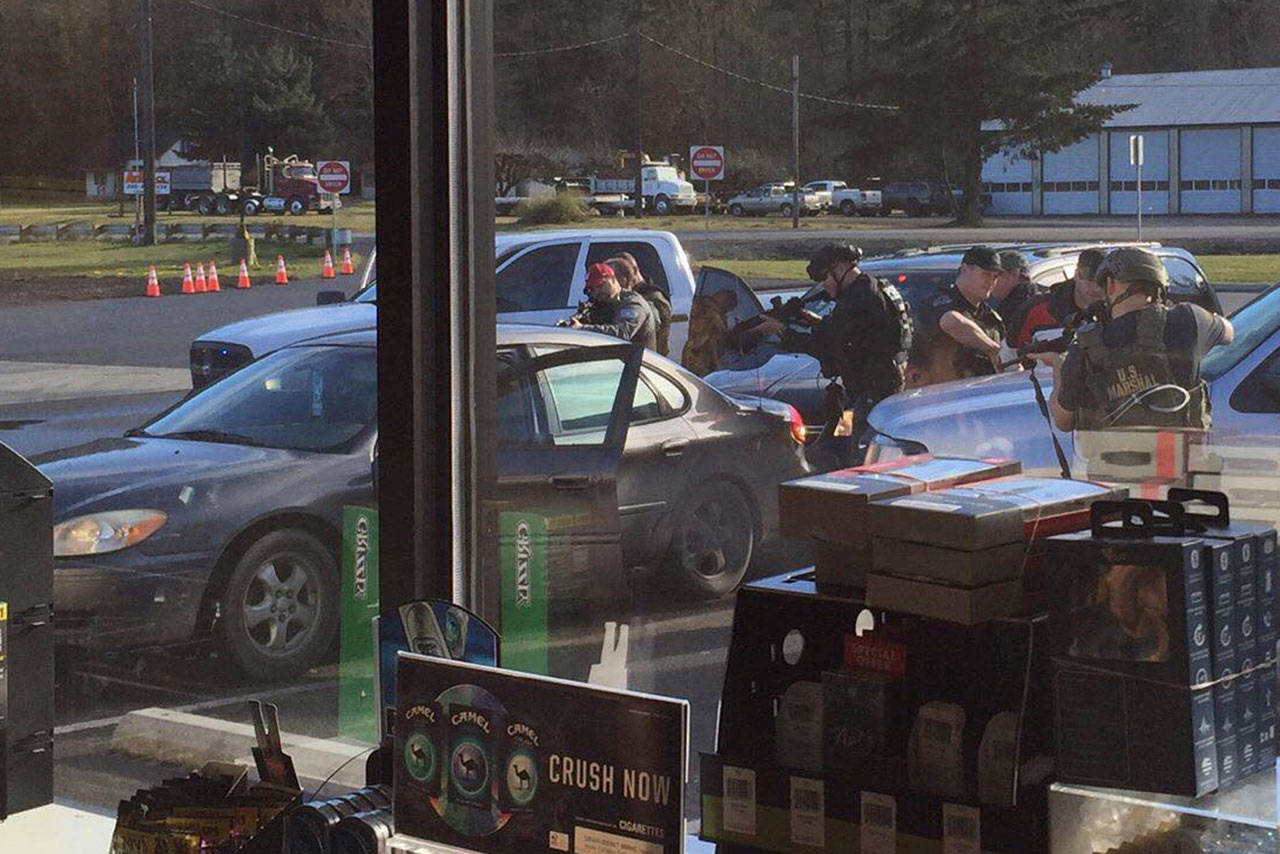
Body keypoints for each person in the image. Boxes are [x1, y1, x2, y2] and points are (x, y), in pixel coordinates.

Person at [1032, 247, 1234, 431]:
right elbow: (1229, 332)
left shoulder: (1085, 344)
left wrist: (1058, 366)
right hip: (1180, 465)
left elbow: (1063, 421)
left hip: (1113, 467)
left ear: (1111, 284)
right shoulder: (1191, 319)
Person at [753, 243, 913, 424]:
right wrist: (816, 321)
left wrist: (780, 331)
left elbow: (829, 345)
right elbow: (853, 333)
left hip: (873, 391)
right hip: (884, 385)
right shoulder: (872, 288)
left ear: (841, 268)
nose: (823, 285)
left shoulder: (858, 299)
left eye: (824, 277)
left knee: (864, 448)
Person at [912, 245, 1005, 384]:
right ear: (964, 270)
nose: (991, 282)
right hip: (938, 396)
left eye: (995, 277)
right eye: (985, 274)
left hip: (983, 395)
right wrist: (992, 349)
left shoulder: (990, 317)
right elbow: (951, 322)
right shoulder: (940, 303)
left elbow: (1007, 360)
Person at [1008, 247, 1106, 349]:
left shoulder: (1118, 314)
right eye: (1089, 279)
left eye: (1103, 281)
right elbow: (1009, 355)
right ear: (1076, 274)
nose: (1097, 288)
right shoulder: (1036, 310)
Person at [563, 262, 657, 350]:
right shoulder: (599, 305)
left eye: (600, 285)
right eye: (592, 289)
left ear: (612, 280)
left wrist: (582, 328)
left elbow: (622, 333)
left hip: (642, 363)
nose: (597, 292)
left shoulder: (633, 303)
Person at [606, 253, 673, 356]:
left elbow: (657, 332)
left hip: (652, 357)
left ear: (634, 270)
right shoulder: (627, 297)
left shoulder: (653, 297)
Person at [682, 289, 739, 376]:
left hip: (690, 352)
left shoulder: (698, 305)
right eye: (730, 306)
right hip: (702, 359)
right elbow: (719, 342)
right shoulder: (714, 317)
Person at [991, 250, 1035, 329]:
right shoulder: (1000, 304)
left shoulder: (1020, 310)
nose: (991, 280)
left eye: (996, 275)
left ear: (1015, 274)